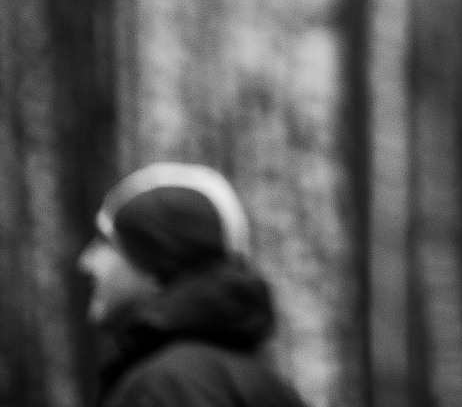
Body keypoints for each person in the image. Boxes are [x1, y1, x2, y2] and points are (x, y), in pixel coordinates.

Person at [83, 163, 308, 407]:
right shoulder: (263, 382)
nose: (86, 262)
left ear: (155, 257)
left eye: (105, 244)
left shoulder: (168, 386)